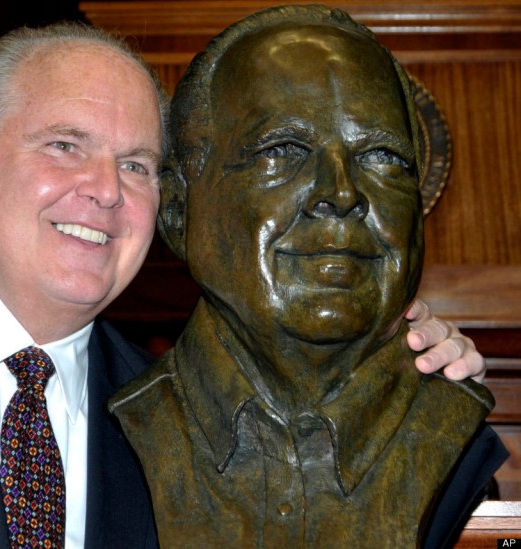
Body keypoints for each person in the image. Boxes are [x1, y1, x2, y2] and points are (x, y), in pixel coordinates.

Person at [0, 19, 488, 549]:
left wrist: (404, 357)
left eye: (136, 164)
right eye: (66, 145)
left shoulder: (159, 417)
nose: (105, 190)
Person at [109, 5, 508, 549]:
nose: (342, 194)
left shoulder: (454, 436)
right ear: (179, 212)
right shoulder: (97, 422)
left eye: (384, 157)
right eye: (283, 151)